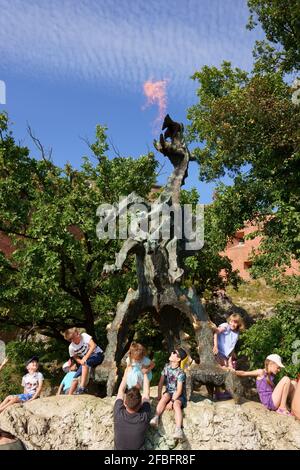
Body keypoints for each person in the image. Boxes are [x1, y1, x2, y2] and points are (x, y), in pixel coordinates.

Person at [150, 348, 187, 440]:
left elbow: (179, 390)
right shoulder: (167, 367)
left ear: (178, 359)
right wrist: (159, 395)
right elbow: (161, 382)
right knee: (165, 396)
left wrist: (171, 401)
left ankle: (178, 429)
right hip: (169, 392)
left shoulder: (180, 373)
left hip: (179, 395)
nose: (171, 352)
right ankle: (156, 417)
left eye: (174, 352)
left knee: (176, 405)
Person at [114, 366, 151, 450]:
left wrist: (126, 373)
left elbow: (120, 391)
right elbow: (146, 394)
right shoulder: (143, 417)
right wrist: (145, 373)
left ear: (125, 403)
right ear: (140, 404)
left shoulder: (118, 414)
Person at [212, 313, 245, 399]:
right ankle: (217, 392)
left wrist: (230, 359)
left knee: (230, 369)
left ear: (238, 323)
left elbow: (232, 347)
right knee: (220, 371)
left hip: (226, 355)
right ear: (229, 321)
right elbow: (216, 332)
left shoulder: (236, 333)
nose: (232, 324)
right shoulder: (226, 326)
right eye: (231, 321)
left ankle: (227, 391)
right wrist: (215, 346)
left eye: (235, 322)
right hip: (219, 352)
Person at [63, 327, 104, 395]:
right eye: (75, 334)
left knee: (85, 363)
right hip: (86, 360)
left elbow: (93, 345)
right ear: (71, 339)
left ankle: (82, 387)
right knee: (76, 376)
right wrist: (80, 361)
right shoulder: (71, 347)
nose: (78, 334)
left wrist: (85, 358)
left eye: (77, 332)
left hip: (97, 354)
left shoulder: (84, 336)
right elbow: (75, 357)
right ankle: (69, 395)